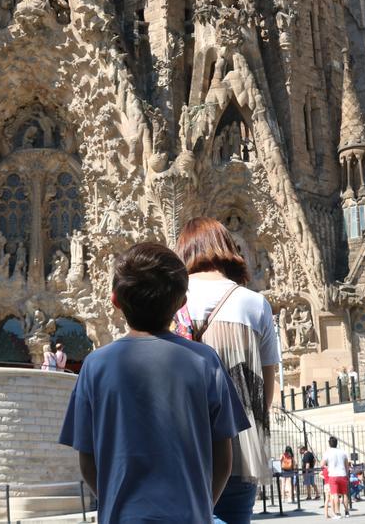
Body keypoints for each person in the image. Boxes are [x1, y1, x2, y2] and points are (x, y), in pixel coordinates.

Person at [57, 242, 248, 523]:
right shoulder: (205, 361)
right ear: (182, 302)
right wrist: (203, 505)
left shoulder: (95, 366)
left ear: (114, 300)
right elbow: (223, 454)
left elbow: (87, 458)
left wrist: (114, 502)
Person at [175, 218, 280, 523]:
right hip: (240, 448)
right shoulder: (255, 303)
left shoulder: (172, 302)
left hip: (184, 443)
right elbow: (267, 388)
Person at [322, 436, 350, 520]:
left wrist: (328, 465)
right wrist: (347, 474)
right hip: (342, 474)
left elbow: (322, 464)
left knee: (335, 494)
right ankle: (347, 511)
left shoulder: (327, 452)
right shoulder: (343, 452)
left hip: (333, 475)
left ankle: (338, 513)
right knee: (345, 494)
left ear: (329, 443)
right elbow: (346, 465)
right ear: (336, 443)